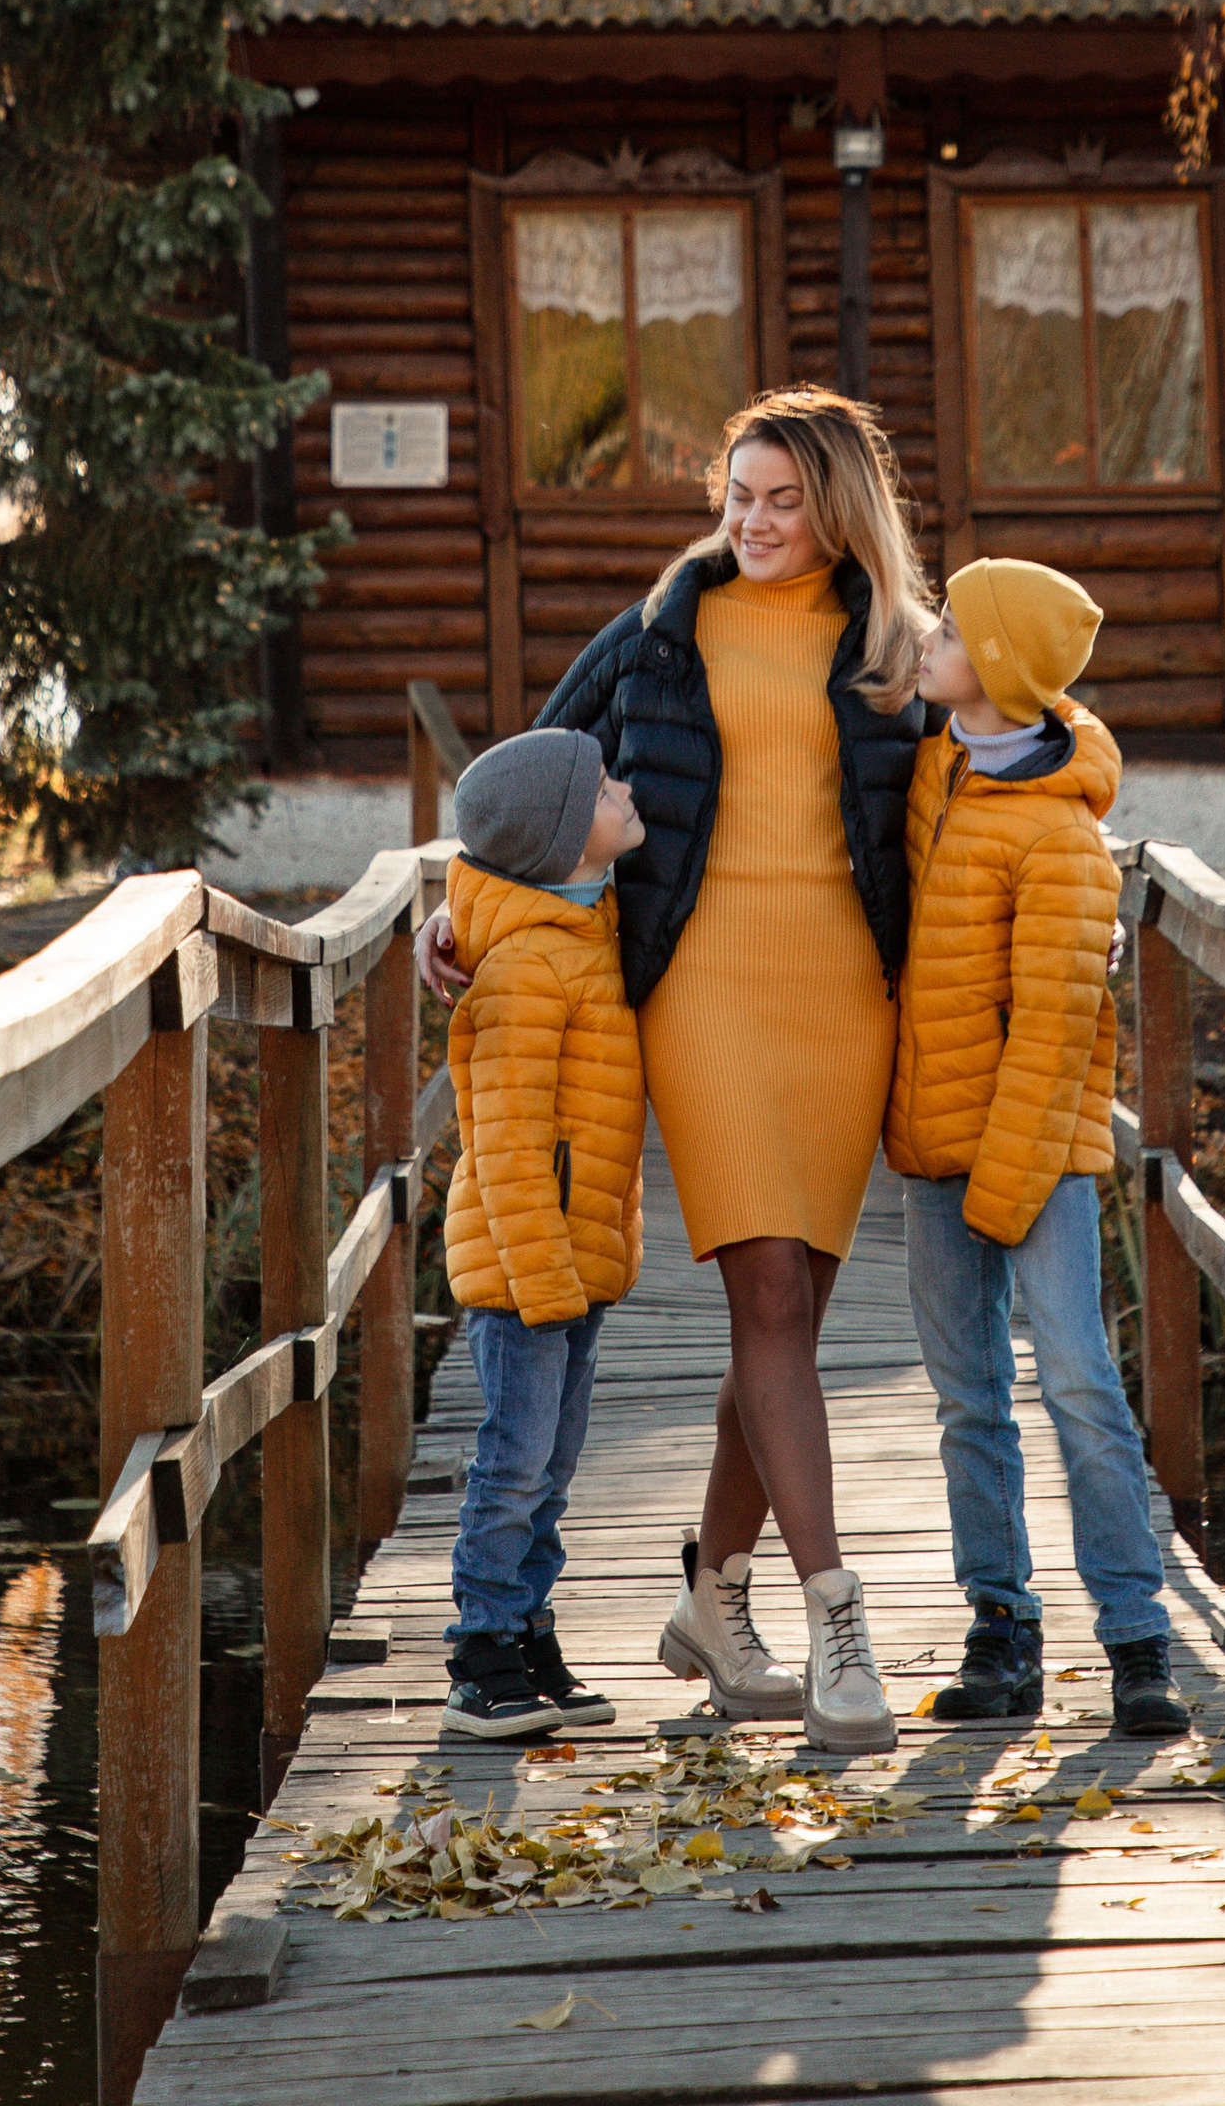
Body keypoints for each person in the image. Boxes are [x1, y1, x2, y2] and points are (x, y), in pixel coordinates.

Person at [423, 388, 928, 1752]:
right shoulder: (660, 629)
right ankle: (837, 1624)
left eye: (781, 502)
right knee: (767, 1294)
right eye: (738, 497)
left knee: (790, 1328)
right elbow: (520, 795)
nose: (752, 523)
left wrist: (1083, 907)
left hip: (847, 1005)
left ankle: (712, 1605)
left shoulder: (894, 644)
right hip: (701, 995)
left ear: (837, 510)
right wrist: (452, 917)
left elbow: (986, 782)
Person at [886, 556, 1191, 1737]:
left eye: (949, 631)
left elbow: (1057, 1034)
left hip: (1035, 1157)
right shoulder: (935, 772)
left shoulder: (1060, 838)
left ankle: (1136, 1638)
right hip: (934, 1141)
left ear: (999, 667)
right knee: (967, 1397)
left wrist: (1001, 1189)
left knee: (1074, 1380)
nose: (927, 641)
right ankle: (1001, 1629)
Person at [438, 726, 649, 1741]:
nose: (626, 789)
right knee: (514, 1462)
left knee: (552, 1468)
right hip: (530, 1269)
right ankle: (479, 1652)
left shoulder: (588, 925)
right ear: (563, 840)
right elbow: (507, 1146)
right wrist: (545, 1279)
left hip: (577, 1255)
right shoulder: (526, 968)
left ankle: (526, 1629)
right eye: (604, 788)